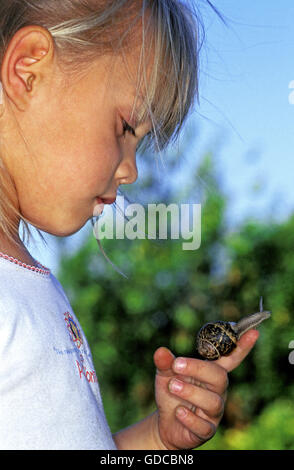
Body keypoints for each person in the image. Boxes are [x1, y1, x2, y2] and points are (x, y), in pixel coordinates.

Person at [0, 0, 258, 450]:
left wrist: (157, 438)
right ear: (28, 71)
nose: (131, 172)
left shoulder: (30, 283)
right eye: (125, 127)